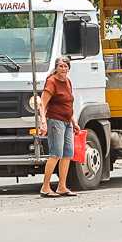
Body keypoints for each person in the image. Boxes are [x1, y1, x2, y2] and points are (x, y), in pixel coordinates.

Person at [37, 56, 79, 198]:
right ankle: (45, 186)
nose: (63, 68)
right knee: (56, 153)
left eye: (66, 66)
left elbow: (68, 104)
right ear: (56, 68)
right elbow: (42, 104)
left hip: (67, 122)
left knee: (68, 154)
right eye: (60, 66)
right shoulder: (52, 82)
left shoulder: (68, 82)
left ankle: (62, 186)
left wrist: (74, 122)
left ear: (69, 68)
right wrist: (43, 122)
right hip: (55, 121)